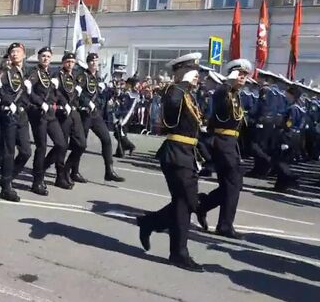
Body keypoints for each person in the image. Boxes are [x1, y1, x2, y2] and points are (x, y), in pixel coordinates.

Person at [136, 52, 205, 272]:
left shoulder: (189, 94)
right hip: (175, 152)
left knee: (183, 204)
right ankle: (178, 253)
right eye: (194, 72)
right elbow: (170, 114)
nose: (197, 77)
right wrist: (181, 82)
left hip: (188, 153)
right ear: (183, 72)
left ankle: (151, 225)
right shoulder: (175, 91)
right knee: (187, 202)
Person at [197, 59, 253, 240]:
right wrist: (229, 82)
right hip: (222, 142)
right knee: (234, 184)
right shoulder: (223, 92)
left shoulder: (236, 94)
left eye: (245, 75)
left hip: (231, 143)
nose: (243, 77)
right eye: (240, 74)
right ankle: (224, 225)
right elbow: (219, 103)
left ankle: (203, 205)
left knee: (231, 185)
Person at [76, 53, 125, 182]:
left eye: (96, 61)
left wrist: (112, 92)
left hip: (96, 114)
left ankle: (109, 171)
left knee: (106, 139)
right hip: (85, 113)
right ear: (88, 63)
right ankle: (74, 171)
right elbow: (77, 94)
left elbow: (101, 97)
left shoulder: (98, 78)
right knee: (81, 145)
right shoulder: (82, 76)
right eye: (91, 61)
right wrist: (87, 102)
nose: (94, 63)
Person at [27, 47, 68, 195]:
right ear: (39, 58)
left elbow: (56, 94)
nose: (45, 59)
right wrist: (39, 102)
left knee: (61, 144)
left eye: (48, 56)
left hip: (51, 113)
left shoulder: (52, 73)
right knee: (41, 147)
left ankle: (42, 167)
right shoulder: (34, 73)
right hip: (38, 113)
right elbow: (29, 91)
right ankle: (37, 182)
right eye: (43, 56)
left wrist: (64, 102)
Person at [46, 52, 87, 188]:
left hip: (74, 112)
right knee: (62, 146)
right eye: (68, 61)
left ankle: (65, 169)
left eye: (72, 62)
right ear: (63, 62)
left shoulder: (75, 76)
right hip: (63, 113)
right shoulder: (57, 75)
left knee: (81, 144)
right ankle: (60, 176)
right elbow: (54, 94)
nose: (70, 64)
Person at [0, 42, 32, 201]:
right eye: (12, 52)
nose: (14, 54)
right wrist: (7, 102)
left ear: (23, 54)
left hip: (22, 115)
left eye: (18, 51)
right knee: (8, 151)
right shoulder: (5, 72)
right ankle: (6, 186)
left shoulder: (26, 73)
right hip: (9, 114)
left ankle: (8, 177)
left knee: (25, 151)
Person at [272, 85, 306, 192]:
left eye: (288, 94)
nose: (286, 95)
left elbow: (290, 122)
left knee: (280, 161)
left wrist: (284, 127)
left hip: (289, 135)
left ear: (292, 95)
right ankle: (281, 185)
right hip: (295, 135)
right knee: (283, 160)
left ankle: (291, 178)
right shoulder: (300, 107)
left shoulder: (293, 108)